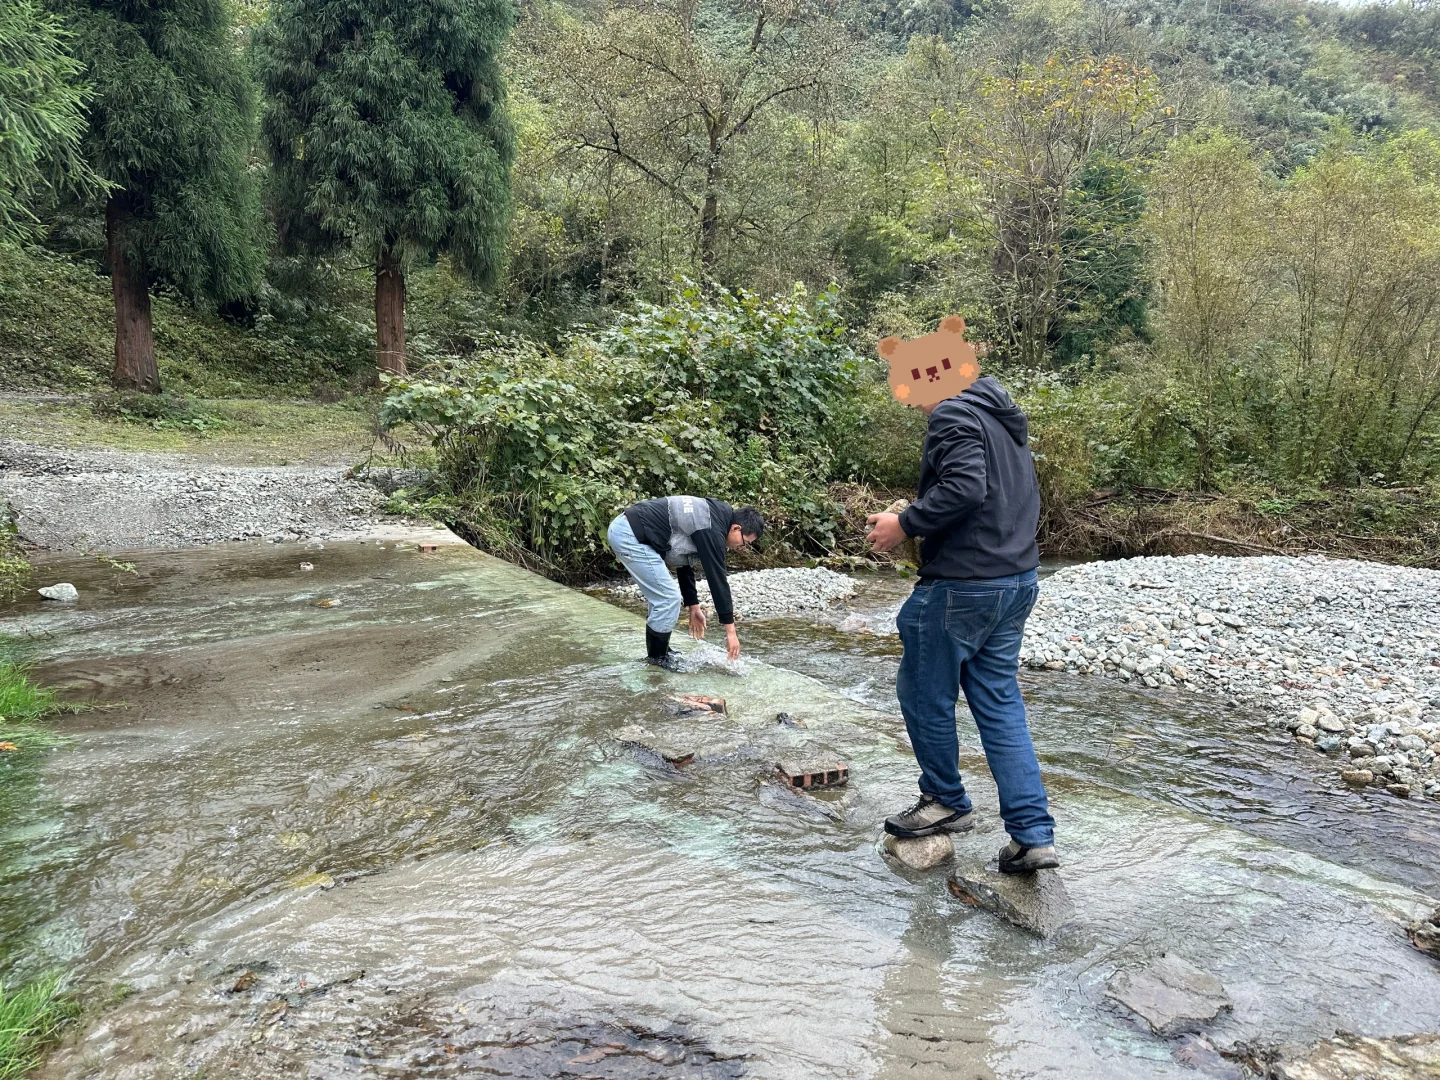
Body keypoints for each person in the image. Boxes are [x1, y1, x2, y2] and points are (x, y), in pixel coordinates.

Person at [865, 375, 1058, 874]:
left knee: (924, 693)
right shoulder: (1004, 421)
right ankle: (1032, 837)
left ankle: (944, 801)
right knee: (999, 704)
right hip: (1017, 580)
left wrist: (903, 523)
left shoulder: (952, 414)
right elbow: (1001, 497)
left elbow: (966, 488)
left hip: (962, 585)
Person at [607, 496, 764, 670]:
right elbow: (717, 579)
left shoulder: (716, 516)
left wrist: (693, 606)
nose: (741, 547)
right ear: (736, 528)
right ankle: (657, 660)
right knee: (668, 599)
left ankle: (661, 651)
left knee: (663, 598)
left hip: (629, 529)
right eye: (744, 542)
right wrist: (731, 632)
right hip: (629, 535)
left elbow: (684, 560)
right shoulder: (712, 529)